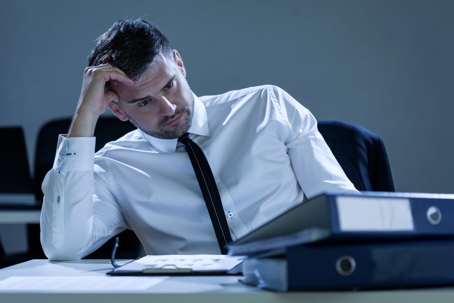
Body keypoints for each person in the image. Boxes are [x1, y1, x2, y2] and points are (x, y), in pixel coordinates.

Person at [40, 18, 358, 260]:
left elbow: (344, 210)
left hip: (295, 285)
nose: (168, 108)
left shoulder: (266, 107)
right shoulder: (115, 167)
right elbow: (63, 246)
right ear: (117, 110)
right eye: (143, 102)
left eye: (168, 85)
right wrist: (85, 116)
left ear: (179, 63)